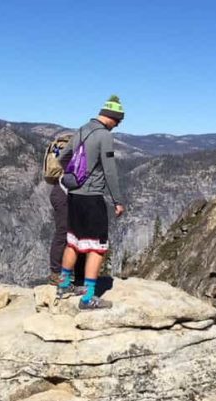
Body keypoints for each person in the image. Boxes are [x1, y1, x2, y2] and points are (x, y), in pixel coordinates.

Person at [55, 95, 126, 309]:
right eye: (119, 121)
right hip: (92, 198)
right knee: (97, 247)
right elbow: (110, 170)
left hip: (74, 194)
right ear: (112, 118)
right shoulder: (104, 136)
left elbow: (62, 157)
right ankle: (88, 298)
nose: (117, 125)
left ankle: (64, 285)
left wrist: (77, 175)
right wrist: (117, 200)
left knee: (73, 242)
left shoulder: (82, 129)